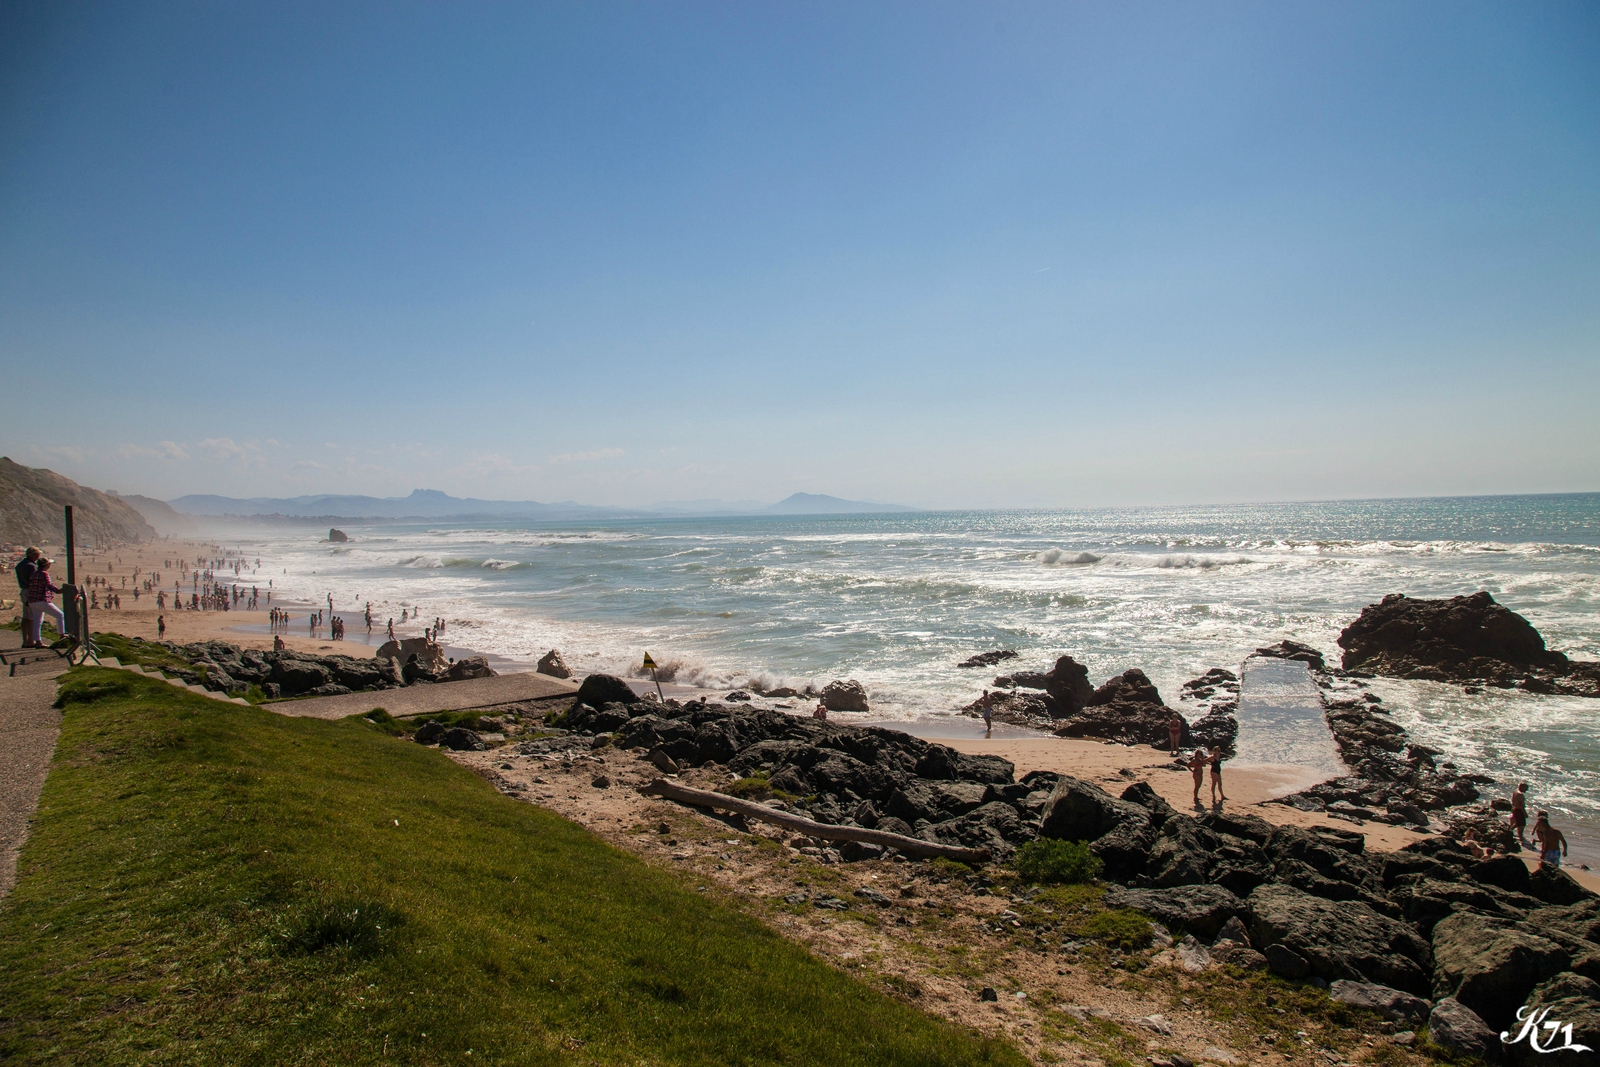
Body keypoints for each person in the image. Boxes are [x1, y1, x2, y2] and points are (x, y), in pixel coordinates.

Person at [26, 558, 65, 648]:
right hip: (42, 599)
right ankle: (62, 635)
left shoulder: (34, 574)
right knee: (60, 615)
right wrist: (58, 591)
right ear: (46, 565)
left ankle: (38, 641)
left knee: (37, 621)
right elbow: (48, 585)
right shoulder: (44, 573)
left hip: (32, 600)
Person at [14, 548, 40, 646]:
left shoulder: (20, 565)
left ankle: (25, 640)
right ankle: (31, 640)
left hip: (24, 591)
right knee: (32, 618)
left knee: (26, 617)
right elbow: (34, 580)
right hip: (30, 591)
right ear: (33, 555)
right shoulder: (31, 566)